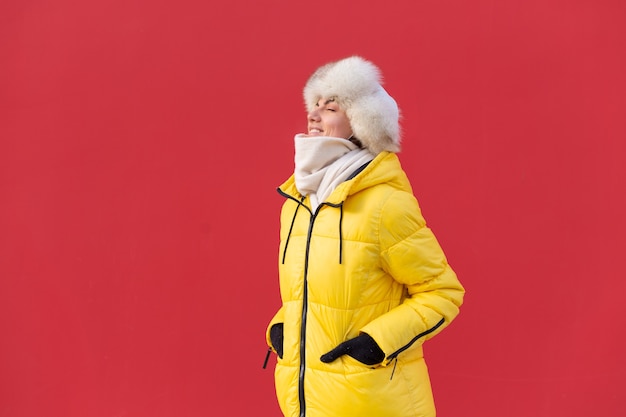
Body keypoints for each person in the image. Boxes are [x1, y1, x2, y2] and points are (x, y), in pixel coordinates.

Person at [264, 56, 465, 417]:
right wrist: (282, 326)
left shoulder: (385, 204)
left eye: (330, 107)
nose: (314, 115)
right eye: (314, 106)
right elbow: (313, 292)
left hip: (373, 402)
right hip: (306, 398)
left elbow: (442, 292)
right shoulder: (298, 202)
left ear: (361, 122)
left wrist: (376, 343)